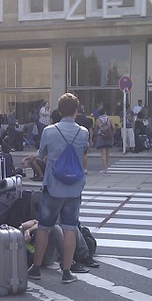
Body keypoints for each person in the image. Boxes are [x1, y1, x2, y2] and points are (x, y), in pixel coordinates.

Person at [27, 93, 91, 284]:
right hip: (74, 187)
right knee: (70, 228)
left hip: (53, 186)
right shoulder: (84, 132)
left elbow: (41, 155)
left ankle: (36, 268)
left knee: (44, 228)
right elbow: (83, 152)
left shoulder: (49, 131)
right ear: (77, 110)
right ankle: (66, 271)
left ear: (59, 110)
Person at [93, 108, 114, 173]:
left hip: (101, 136)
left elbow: (96, 129)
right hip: (108, 136)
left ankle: (104, 168)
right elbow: (113, 127)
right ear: (105, 112)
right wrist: (112, 134)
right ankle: (107, 166)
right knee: (108, 152)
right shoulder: (109, 119)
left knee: (103, 153)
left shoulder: (98, 120)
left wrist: (95, 136)